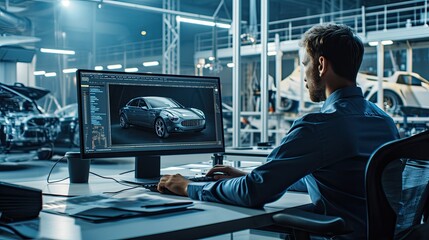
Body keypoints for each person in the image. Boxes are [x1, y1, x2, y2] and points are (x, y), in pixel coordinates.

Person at [157, 23, 399, 239]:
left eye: (304, 64)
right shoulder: (384, 121)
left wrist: (189, 187)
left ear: (321, 65)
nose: (303, 76)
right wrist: (254, 175)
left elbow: (253, 193)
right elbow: (337, 180)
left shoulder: (320, 125)